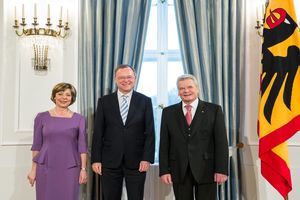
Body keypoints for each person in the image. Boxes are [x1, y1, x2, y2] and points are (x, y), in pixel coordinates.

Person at [159, 74, 229, 200]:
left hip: (207, 169)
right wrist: (164, 170)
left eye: (189, 87)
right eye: (181, 88)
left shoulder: (214, 110)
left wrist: (222, 170)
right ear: (178, 92)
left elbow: (221, 142)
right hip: (179, 170)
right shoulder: (168, 112)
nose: (186, 91)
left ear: (197, 89)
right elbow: (164, 144)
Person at [91, 64, 155, 200]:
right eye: (121, 77)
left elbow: (150, 132)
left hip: (137, 162)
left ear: (135, 78)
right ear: (115, 79)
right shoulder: (104, 102)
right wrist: (96, 159)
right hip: (109, 161)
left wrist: (147, 158)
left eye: (129, 77)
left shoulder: (145, 101)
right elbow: (98, 132)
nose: (126, 80)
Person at [27, 82, 88, 200]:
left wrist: (83, 170)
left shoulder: (79, 119)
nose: (64, 98)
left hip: (70, 168)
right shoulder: (41, 117)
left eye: (68, 95)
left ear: (72, 98)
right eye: (60, 94)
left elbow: (82, 147)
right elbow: (36, 146)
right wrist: (33, 170)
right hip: (45, 167)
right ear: (54, 96)